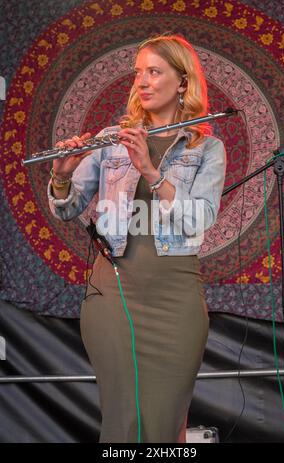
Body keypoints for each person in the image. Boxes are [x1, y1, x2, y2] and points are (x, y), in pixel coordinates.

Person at [48, 34, 226, 443]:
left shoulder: (207, 148)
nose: (142, 82)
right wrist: (60, 174)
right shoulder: (112, 139)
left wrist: (151, 170)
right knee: (123, 422)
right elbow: (68, 207)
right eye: (138, 73)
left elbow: (200, 218)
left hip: (175, 298)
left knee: (164, 425)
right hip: (113, 295)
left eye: (154, 72)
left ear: (183, 82)